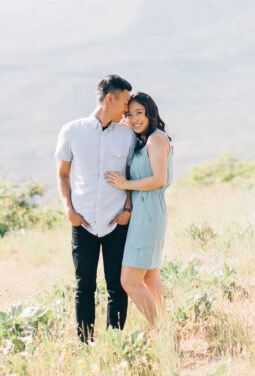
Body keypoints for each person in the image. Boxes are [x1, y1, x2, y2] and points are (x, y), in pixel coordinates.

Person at [55, 74, 136, 342]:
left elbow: (131, 173)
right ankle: (85, 345)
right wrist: (69, 210)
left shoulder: (127, 136)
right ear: (110, 98)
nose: (127, 109)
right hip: (83, 222)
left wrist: (127, 210)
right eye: (125, 102)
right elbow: (63, 175)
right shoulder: (71, 131)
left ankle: (115, 344)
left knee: (117, 287)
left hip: (116, 223)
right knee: (84, 287)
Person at [105, 92, 172, 327]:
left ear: (150, 113)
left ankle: (160, 330)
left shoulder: (156, 139)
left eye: (139, 113)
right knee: (150, 277)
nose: (134, 119)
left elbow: (159, 179)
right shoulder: (142, 140)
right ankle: (166, 327)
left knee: (130, 281)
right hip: (145, 213)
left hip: (149, 213)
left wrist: (125, 184)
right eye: (129, 114)